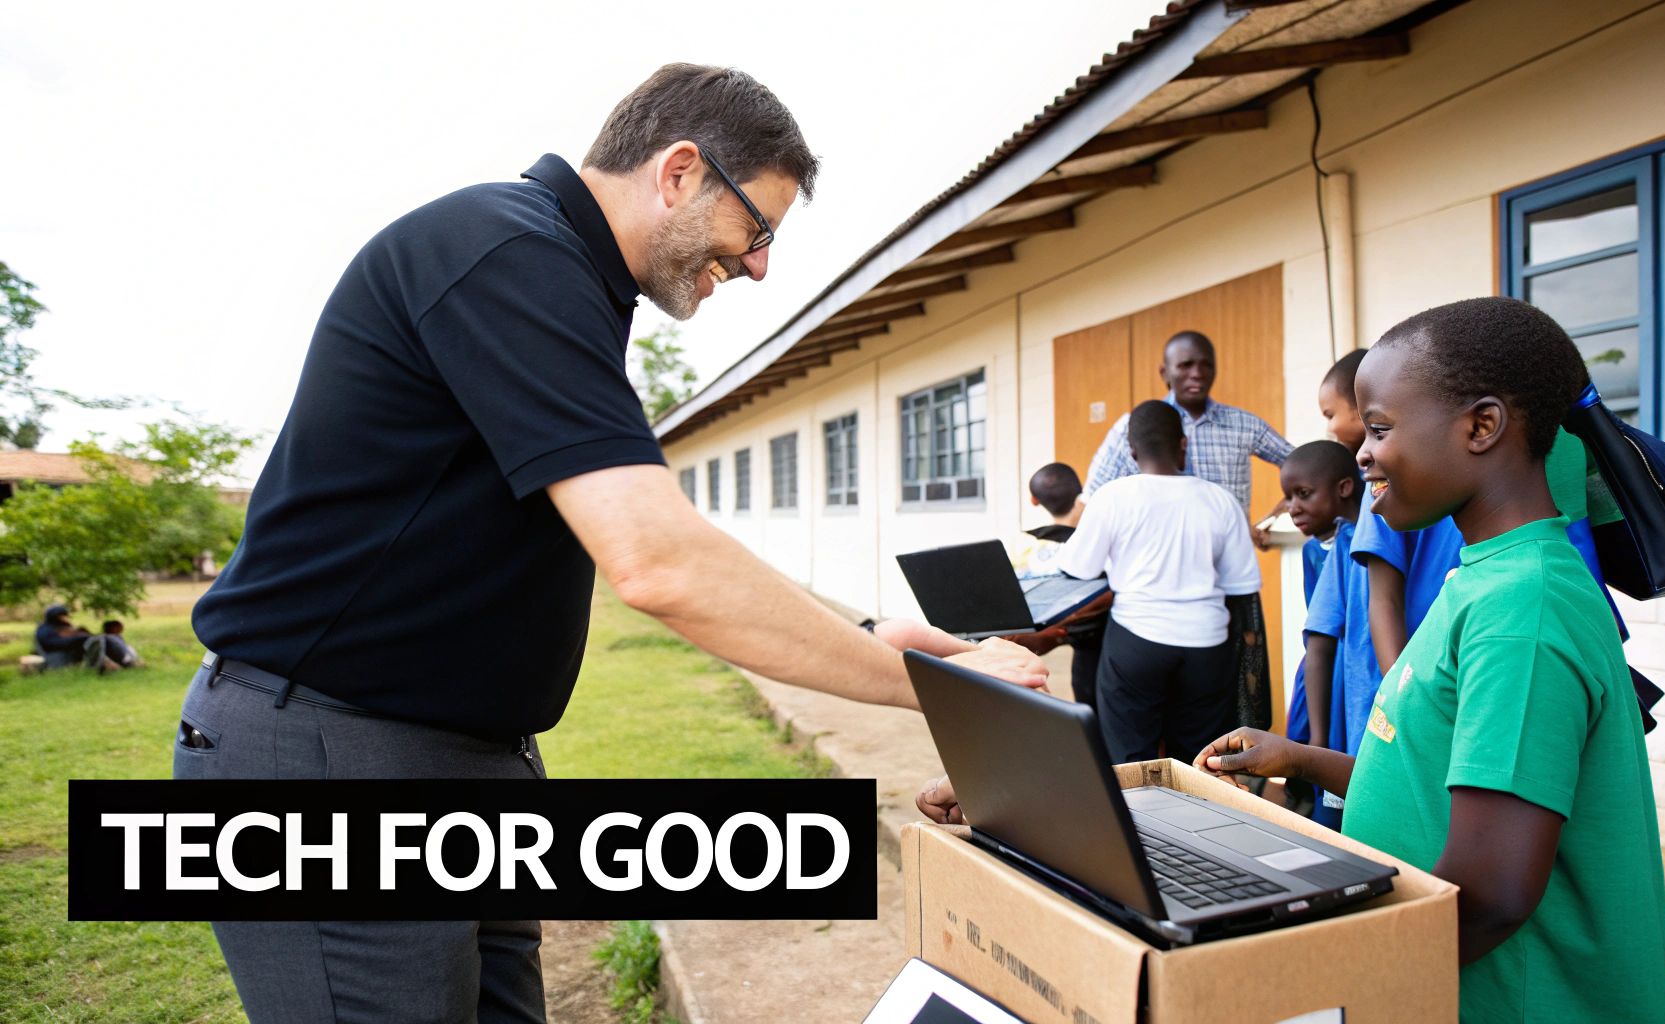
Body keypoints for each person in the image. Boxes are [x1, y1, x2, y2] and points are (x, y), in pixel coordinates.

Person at [179, 64, 1045, 1024]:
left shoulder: (569, 281)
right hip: (333, 755)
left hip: (468, 757)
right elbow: (657, 563)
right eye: (757, 230)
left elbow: (672, 540)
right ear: (679, 172)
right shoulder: (505, 253)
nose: (759, 265)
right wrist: (943, 686)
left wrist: (886, 638)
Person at [1198, 297, 1665, 1022]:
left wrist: (1301, 979)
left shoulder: (1523, 610)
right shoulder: (1480, 578)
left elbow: (1490, 895)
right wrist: (1297, 756)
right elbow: (1439, 785)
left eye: (1381, 428)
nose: (1361, 451)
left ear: (1482, 426)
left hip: (1520, 1001)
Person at [1058, 400, 1261, 764]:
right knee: (1200, 760)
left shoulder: (1113, 497)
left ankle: (1138, 819)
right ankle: (1195, 818)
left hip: (1136, 643)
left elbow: (1079, 567)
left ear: (1132, 451)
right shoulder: (1220, 500)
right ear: (1183, 444)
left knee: (1131, 755)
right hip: (1207, 645)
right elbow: (1240, 586)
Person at [1083, 330, 1293, 517]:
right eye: (1186, 365)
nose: (1197, 374)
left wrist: (1276, 516)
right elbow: (1094, 497)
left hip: (1228, 556)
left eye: (1206, 365)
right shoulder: (1134, 427)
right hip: (1161, 556)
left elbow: (1300, 462)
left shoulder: (1244, 424)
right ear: (1165, 373)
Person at [1275, 442, 1360, 819]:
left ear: (1343, 488)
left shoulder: (1359, 542)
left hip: (1348, 666)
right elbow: (1319, 627)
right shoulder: (1314, 550)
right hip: (1323, 664)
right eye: (1289, 497)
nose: (1293, 507)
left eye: (1304, 494)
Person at [1006, 462, 1111, 710]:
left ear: (1033, 500)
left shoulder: (1024, 546)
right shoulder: (1097, 541)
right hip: (1101, 643)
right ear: (1081, 489)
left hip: (1055, 641)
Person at [33, 604, 92, 670]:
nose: (65, 618)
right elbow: (53, 643)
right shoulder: (45, 629)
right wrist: (78, 638)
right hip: (54, 657)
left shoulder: (64, 626)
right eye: (62, 616)